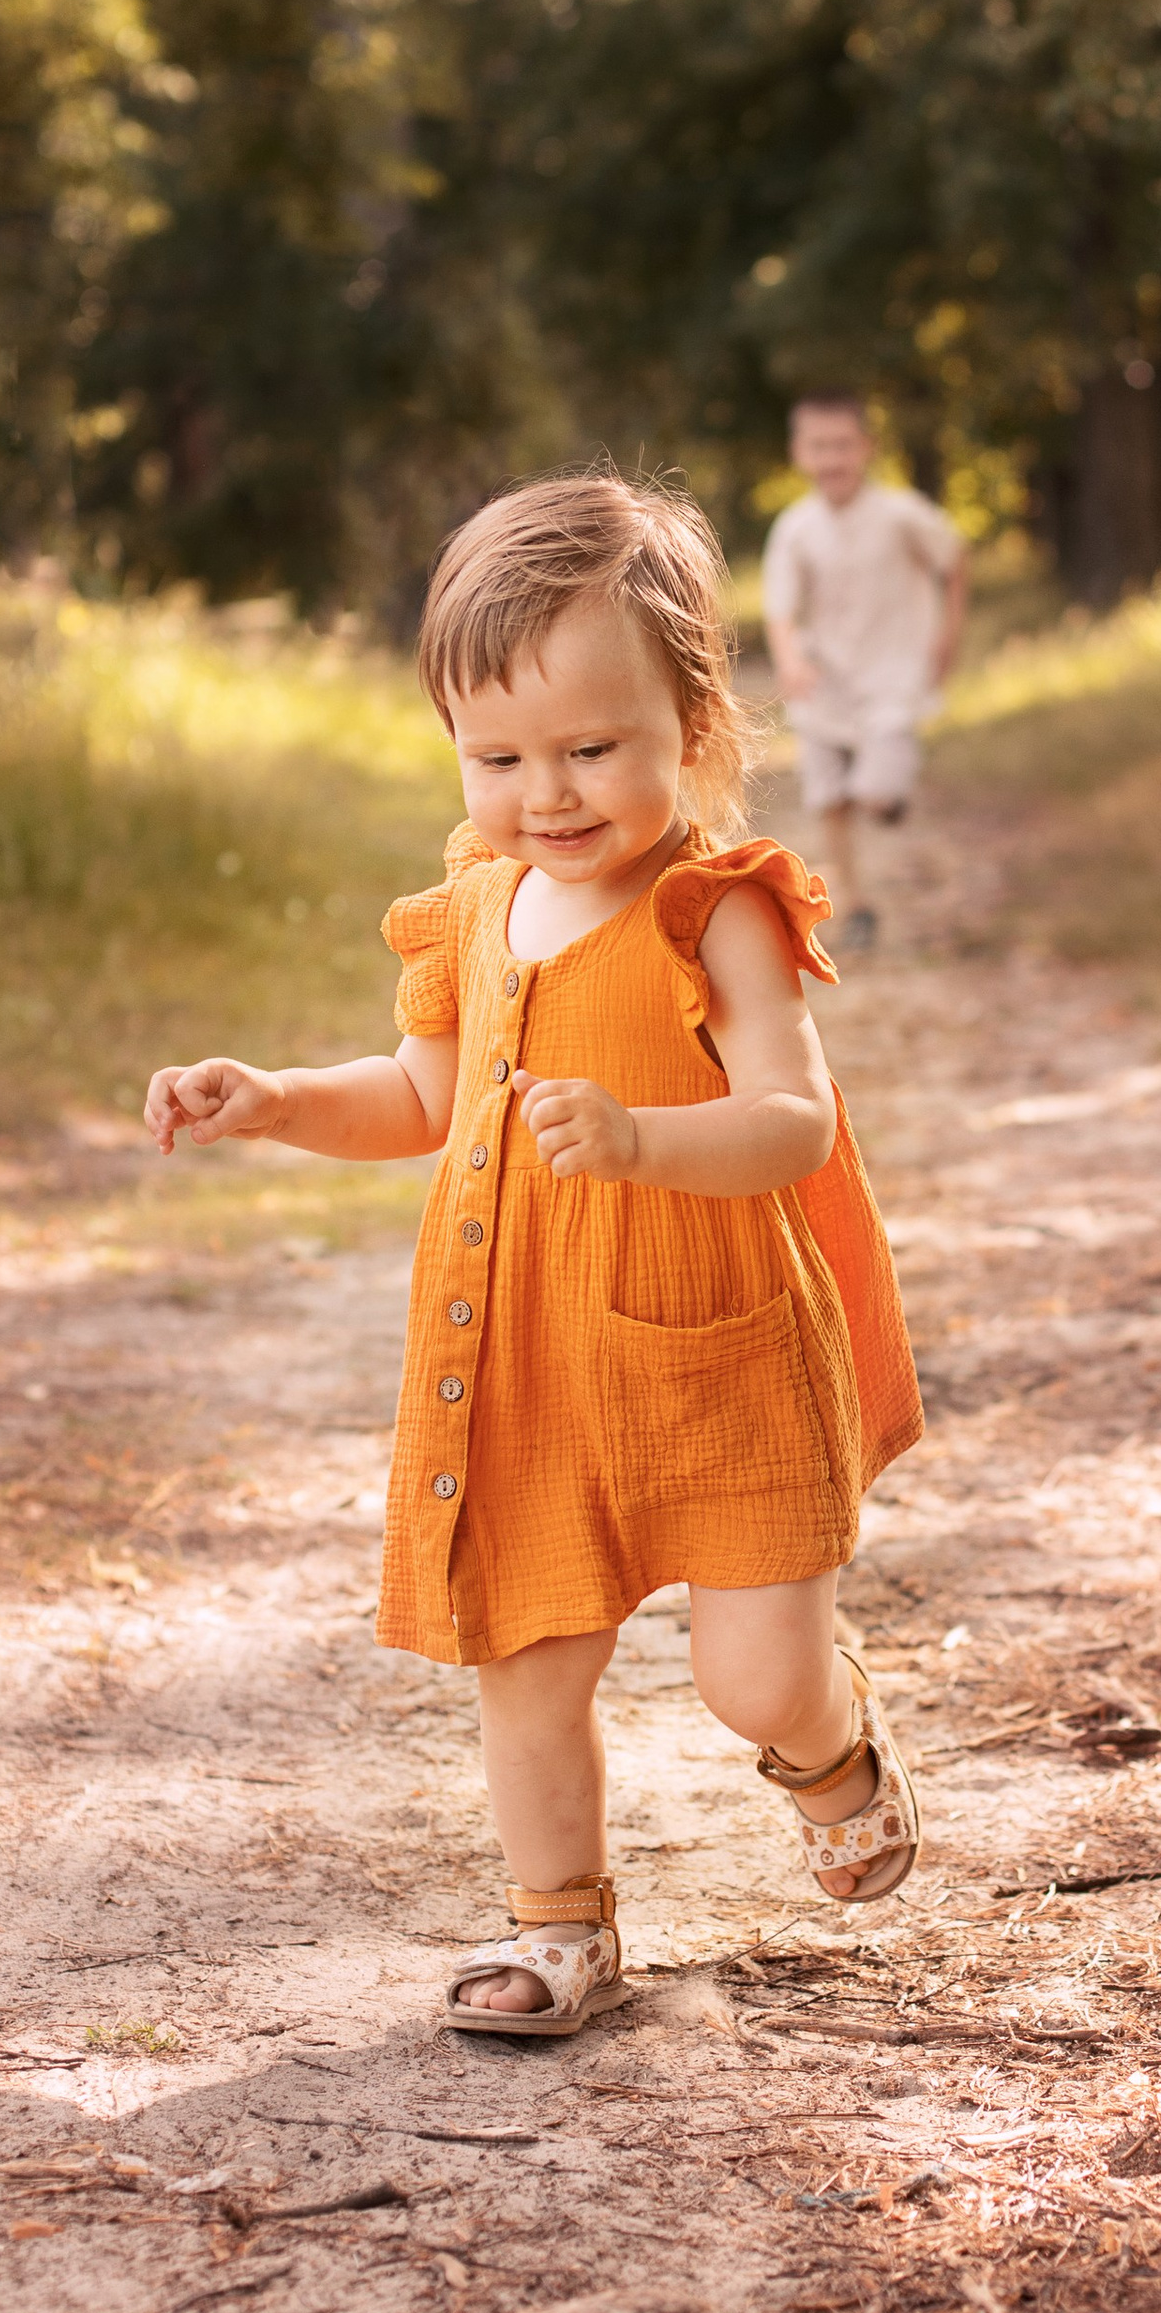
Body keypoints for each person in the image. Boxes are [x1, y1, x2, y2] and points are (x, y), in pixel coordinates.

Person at [142, 472, 925, 2044]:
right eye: (498, 757)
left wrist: (642, 1138)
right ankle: (560, 1925)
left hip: (717, 1350)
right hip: (528, 1360)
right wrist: (278, 1100)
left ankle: (830, 1744)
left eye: (590, 750)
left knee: (753, 1679)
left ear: (692, 727)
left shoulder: (715, 912)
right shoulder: (480, 908)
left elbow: (793, 1120)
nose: (546, 795)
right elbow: (424, 1099)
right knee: (528, 1664)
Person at [760, 394, 968, 955]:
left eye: (843, 445)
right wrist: (790, 660)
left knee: (875, 792)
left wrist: (948, 635)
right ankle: (857, 907)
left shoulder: (902, 514)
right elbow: (780, 609)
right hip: (826, 683)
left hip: (893, 677)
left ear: (867, 448)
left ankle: (884, 797)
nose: (832, 458)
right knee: (828, 800)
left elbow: (954, 559)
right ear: (799, 453)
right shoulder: (795, 527)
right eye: (818, 446)